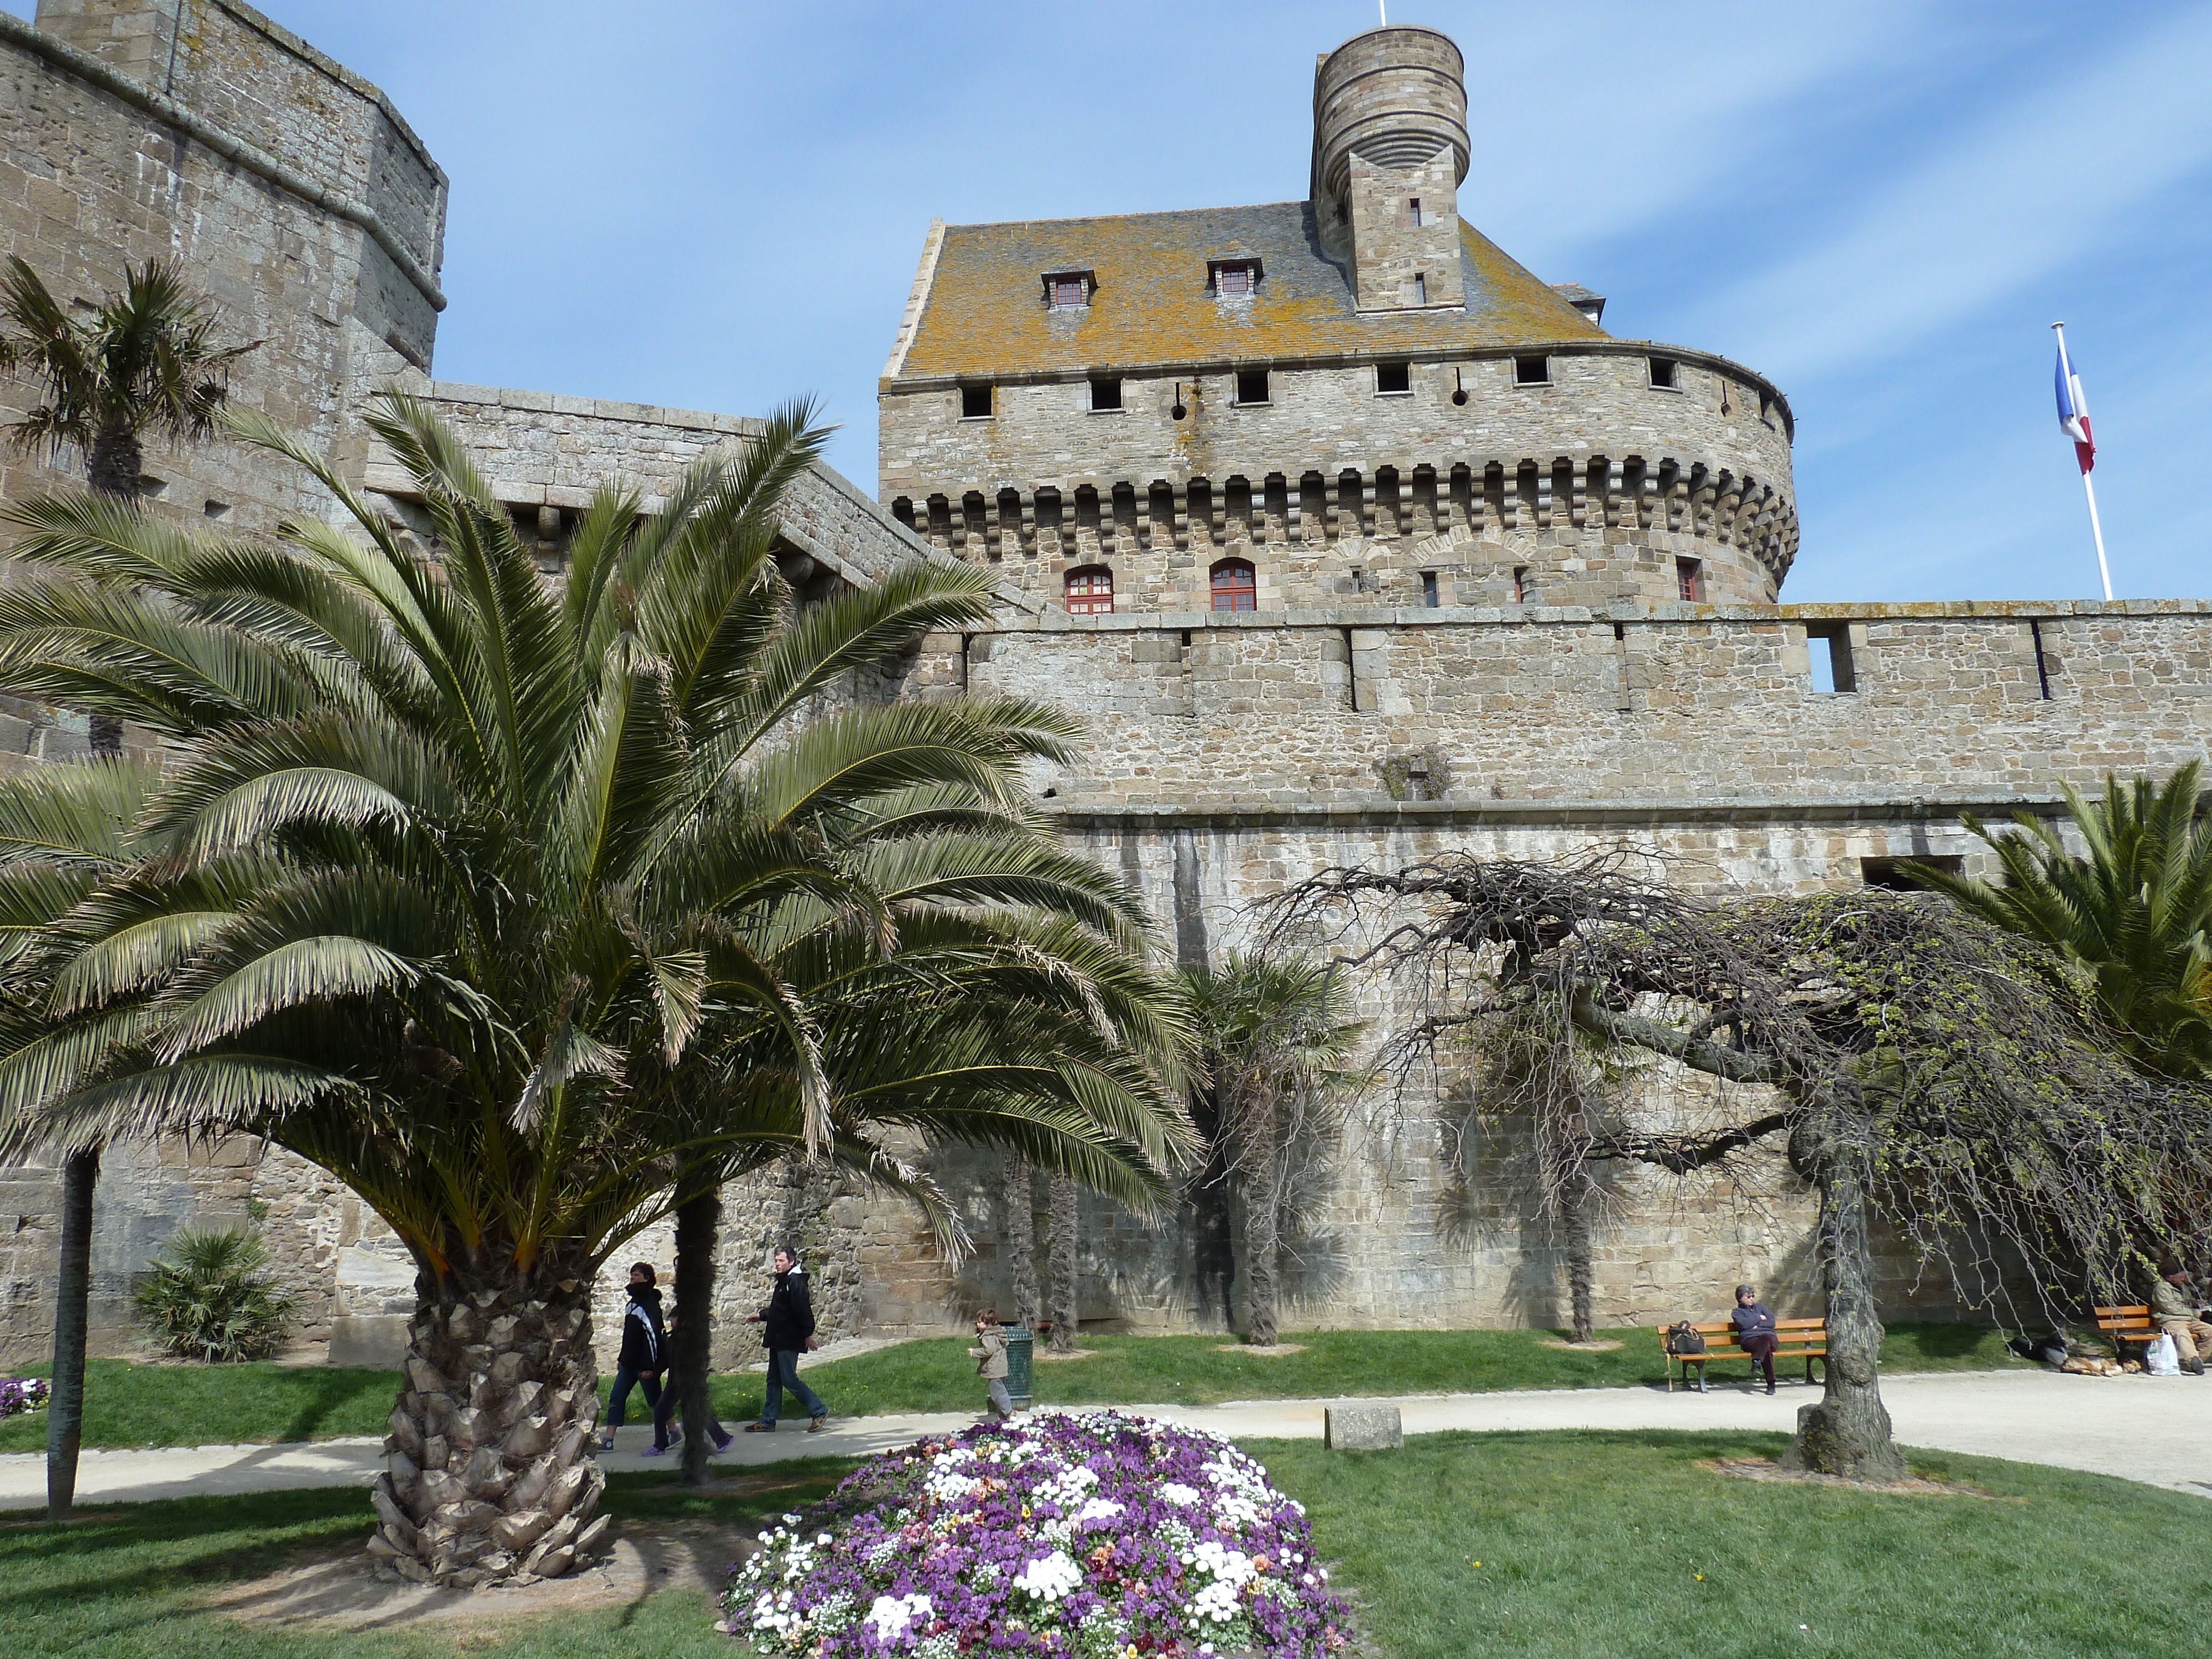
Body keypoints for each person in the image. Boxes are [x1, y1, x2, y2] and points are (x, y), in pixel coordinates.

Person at [744, 1245, 830, 1433]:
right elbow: (780, 1310)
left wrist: (807, 1334)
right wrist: (762, 1315)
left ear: (792, 1262)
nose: (777, 1264)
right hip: (778, 1337)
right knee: (773, 1380)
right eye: (776, 1261)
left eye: (781, 1261)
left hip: (788, 1339)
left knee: (789, 1379)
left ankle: (819, 1410)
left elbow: (802, 1310)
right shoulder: (785, 1281)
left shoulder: (796, 1282)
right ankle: (768, 1421)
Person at [644, 1301, 734, 1457]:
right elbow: (668, 1361)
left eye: (674, 1318)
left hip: (686, 1383)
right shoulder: (673, 1338)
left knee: (694, 1411)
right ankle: (722, 1438)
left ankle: (722, 1439)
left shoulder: (688, 1339)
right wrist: (655, 1372)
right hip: (674, 1383)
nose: (671, 1322)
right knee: (662, 1411)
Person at [599, 1261, 665, 1452]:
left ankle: (673, 1430)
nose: (633, 1278)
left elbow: (653, 1336)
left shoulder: (650, 1304)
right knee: (616, 1397)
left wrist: (651, 1367)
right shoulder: (632, 1305)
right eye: (632, 1274)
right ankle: (609, 1439)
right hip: (629, 1363)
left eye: (637, 1275)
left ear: (647, 1278)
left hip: (645, 1364)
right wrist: (622, 1357)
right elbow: (629, 1336)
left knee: (656, 1401)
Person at [2150, 1258, 2212, 1376]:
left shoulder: (2182, 1287)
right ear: (2172, 1277)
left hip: (2189, 1320)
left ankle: (2198, 1361)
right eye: (2181, 1276)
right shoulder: (2162, 1288)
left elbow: (2188, 1302)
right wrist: (2194, 1313)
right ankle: (2192, 1359)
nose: (2184, 1279)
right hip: (2170, 1320)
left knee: (2209, 1330)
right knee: (2182, 1333)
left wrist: (2198, 1304)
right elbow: (2170, 1308)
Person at [1730, 1282, 1780, 1395]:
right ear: (1740, 1298)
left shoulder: (1761, 1307)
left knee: (1766, 1339)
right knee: (1765, 1348)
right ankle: (1771, 1383)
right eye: (1748, 1297)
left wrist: (1757, 1326)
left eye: (1753, 1296)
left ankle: (1757, 1362)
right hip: (1750, 1340)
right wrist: (1759, 1317)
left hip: (1769, 1338)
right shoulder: (1737, 1312)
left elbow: (1772, 1322)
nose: (1752, 1299)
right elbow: (1744, 1325)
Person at [970, 1306, 1013, 1420]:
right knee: (999, 1390)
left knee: (997, 1393)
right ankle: (1003, 1417)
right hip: (1001, 1367)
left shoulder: (988, 1336)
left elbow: (988, 1350)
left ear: (989, 1324)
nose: (978, 1325)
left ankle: (1009, 1413)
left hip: (994, 1368)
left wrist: (974, 1352)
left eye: (980, 1322)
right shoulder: (998, 1333)